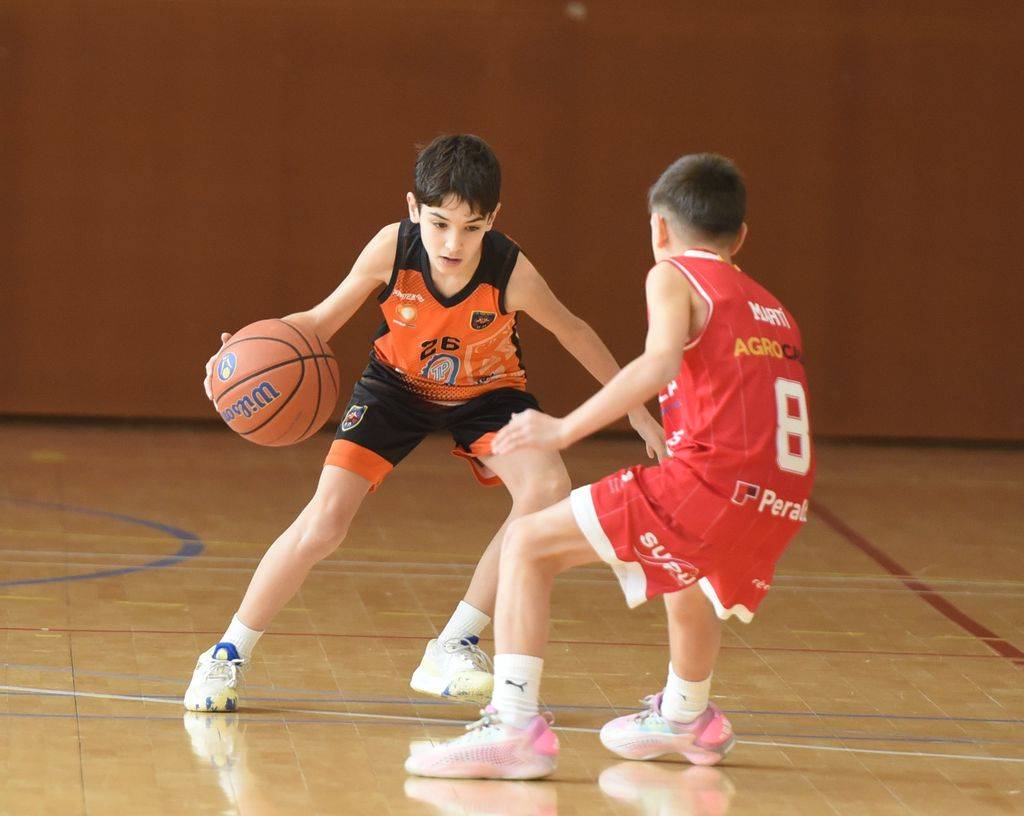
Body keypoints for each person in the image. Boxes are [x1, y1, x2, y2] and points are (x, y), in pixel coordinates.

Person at [184, 134, 664, 712]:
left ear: (493, 220)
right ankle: (225, 655)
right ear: (414, 209)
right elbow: (315, 321)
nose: (453, 242)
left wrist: (637, 410)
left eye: (470, 227)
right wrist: (236, 354)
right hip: (395, 389)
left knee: (548, 486)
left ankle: (454, 642)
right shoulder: (392, 248)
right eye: (439, 224)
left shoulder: (511, 270)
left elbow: (576, 332)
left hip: (489, 393)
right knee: (325, 524)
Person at [405, 153, 815, 779]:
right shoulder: (771, 305)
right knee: (686, 570)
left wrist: (564, 428)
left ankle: (513, 728)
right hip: (781, 499)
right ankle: (688, 716)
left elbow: (657, 364)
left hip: (710, 481)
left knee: (527, 544)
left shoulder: (675, 275)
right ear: (740, 238)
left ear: (658, 228)